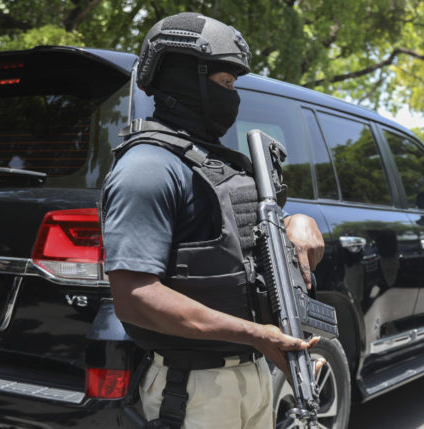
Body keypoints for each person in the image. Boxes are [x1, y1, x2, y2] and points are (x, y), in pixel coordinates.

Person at [101, 12, 325, 428]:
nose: (232, 98)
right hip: (193, 391)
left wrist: (295, 222)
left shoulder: (216, 163)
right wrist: (256, 334)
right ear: (186, 78)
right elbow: (134, 296)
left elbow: (235, 239)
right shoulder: (147, 167)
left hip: (252, 376)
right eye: (224, 84)